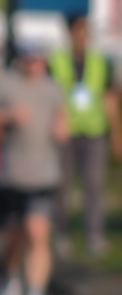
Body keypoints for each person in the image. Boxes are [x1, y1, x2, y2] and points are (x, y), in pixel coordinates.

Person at [0, 41, 68, 295]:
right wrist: (7, 115)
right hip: (12, 174)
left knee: (38, 232)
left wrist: (61, 128)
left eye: (39, 59)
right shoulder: (5, 84)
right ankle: (11, 278)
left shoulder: (53, 88)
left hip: (44, 173)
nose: (34, 64)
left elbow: (62, 117)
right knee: (15, 235)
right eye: (30, 59)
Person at [49, 14, 120, 258]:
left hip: (94, 130)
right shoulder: (56, 60)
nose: (82, 35)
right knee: (62, 186)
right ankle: (62, 234)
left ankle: (94, 235)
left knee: (94, 185)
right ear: (70, 33)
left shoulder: (101, 62)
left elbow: (109, 98)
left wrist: (116, 133)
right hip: (65, 132)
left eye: (86, 30)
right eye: (78, 30)